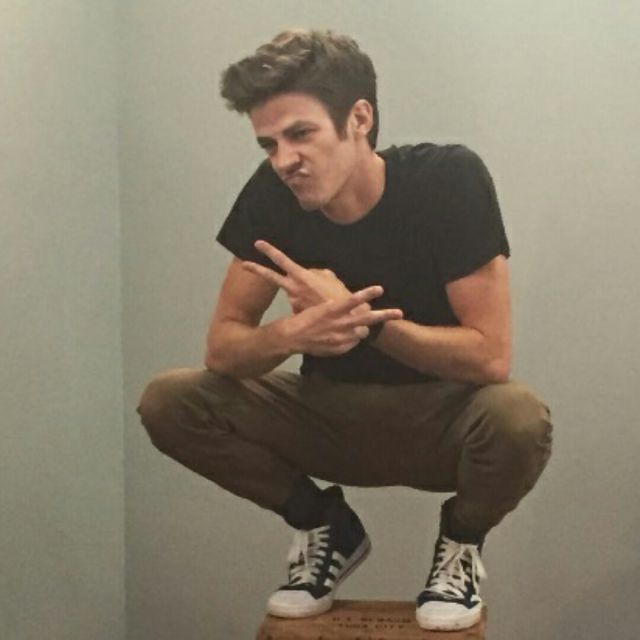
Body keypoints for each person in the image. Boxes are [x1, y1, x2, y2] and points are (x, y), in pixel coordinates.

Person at [137, 29, 553, 632]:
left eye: (300, 134)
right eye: (269, 143)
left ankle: (461, 544)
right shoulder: (272, 195)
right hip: (325, 415)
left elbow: (490, 357)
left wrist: (364, 326)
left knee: (520, 417)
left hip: (440, 421)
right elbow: (223, 347)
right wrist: (293, 334)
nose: (284, 160)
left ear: (359, 118)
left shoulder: (448, 180)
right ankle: (323, 524)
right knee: (169, 401)